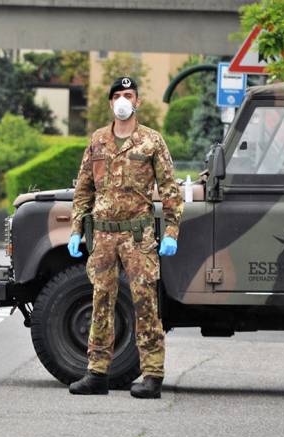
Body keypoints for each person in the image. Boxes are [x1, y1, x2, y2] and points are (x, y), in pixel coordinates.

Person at [67, 76, 183, 399]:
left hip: (137, 235)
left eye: (128, 95)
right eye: (117, 95)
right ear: (110, 102)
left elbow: (171, 191)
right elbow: (83, 190)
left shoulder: (151, 141)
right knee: (100, 302)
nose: (122, 100)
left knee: (145, 303)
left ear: (137, 101)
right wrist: (76, 230)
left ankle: (152, 374)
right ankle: (97, 373)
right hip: (103, 237)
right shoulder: (98, 141)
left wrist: (171, 231)